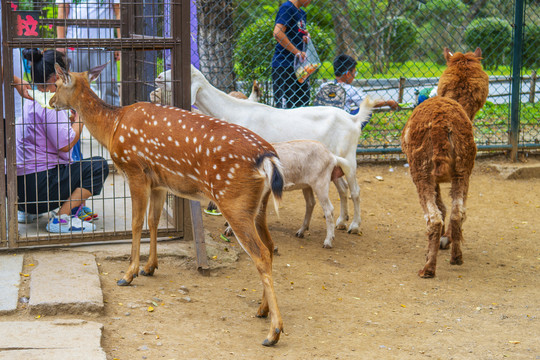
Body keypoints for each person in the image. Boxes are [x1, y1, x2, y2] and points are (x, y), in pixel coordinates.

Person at [16, 49, 110, 233]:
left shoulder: (29, 98)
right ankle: (61, 219)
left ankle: (26, 212)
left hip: (20, 193)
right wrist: (80, 117)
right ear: (55, 78)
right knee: (98, 166)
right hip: (39, 188)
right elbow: (65, 144)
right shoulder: (49, 103)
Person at [56, 0, 121, 107]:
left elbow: (118, 11)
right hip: (76, 44)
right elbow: (62, 10)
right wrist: (61, 42)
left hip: (104, 45)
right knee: (75, 89)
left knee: (108, 88)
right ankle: (78, 122)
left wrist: (119, 42)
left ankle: (112, 121)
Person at [316, 54, 399, 117]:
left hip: (324, 119)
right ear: (348, 74)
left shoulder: (324, 86)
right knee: (366, 112)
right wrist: (388, 102)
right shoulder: (349, 89)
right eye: (354, 73)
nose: (354, 76)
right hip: (342, 121)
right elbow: (366, 104)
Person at [271, 0, 312, 109]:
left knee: (302, 105)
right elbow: (278, 33)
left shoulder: (302, 13)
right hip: (284, 65)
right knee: (286, 109)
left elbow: (294, 33)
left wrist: (304, 37)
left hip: (299, 68)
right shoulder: (287, 8)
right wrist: (297, 52)